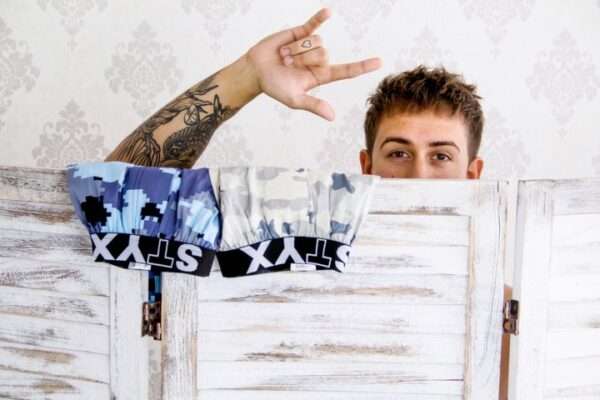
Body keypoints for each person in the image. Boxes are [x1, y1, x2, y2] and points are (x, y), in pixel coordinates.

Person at [105, 7, 508, 399]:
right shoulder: (291, 256)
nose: (418, 177)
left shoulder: (498, 307)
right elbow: (115, 195)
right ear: (367, 167)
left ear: (472, 175)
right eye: (399, 153)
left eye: (441, 156)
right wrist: (243, 79)